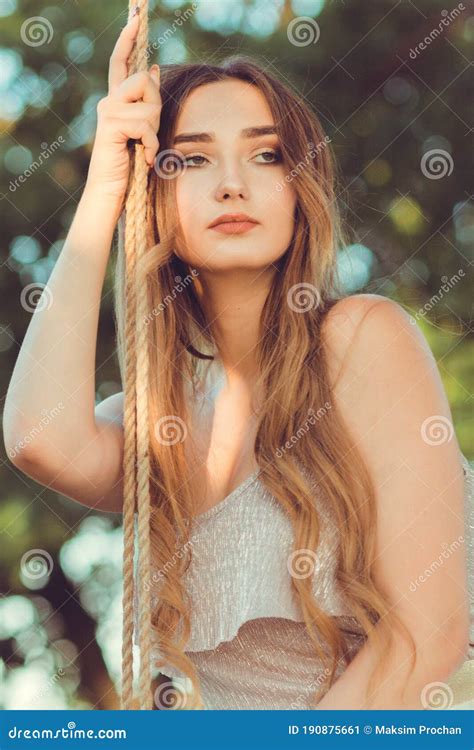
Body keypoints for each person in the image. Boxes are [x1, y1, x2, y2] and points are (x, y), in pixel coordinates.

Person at [3, 11, 471, 711]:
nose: (230, 183)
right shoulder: (156, 420)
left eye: (266, 154)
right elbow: (39, 440)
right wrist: (104, 187)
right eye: (190, 158)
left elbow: (427, 635)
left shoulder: (363, 338)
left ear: (298, 190)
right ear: (150, 192)